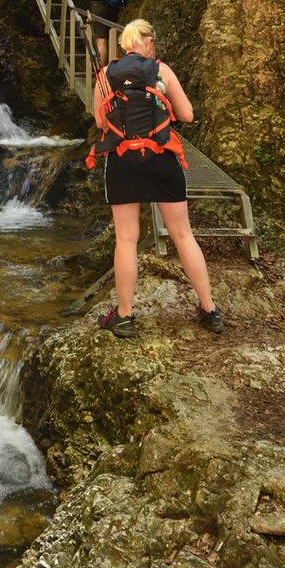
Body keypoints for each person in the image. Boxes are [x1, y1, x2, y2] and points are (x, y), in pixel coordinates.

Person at [88, 18, 224, 339]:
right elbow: (188, 115)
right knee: (182, 235)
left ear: (124, 45)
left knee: (126, 239)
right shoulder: (162, 70)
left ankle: (124, 317)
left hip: (123, 161)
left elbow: (99, 121)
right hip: (163, 158)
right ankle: (209, 310)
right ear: (149, 43)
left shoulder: (105, 76)